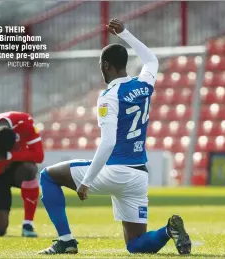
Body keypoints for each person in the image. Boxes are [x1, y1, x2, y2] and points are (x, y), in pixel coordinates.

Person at [38, 19, 191, 255]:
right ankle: (168, 231)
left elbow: (108, 142)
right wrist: (125, 34)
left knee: (47, 176)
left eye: (101, 65)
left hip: (115, 171)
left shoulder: (110, 96)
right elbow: (151, 60)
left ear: (107, 66)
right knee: (136, 246)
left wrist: (87, 181)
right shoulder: (144, 84)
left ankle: (66, 240)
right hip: (138, 175)